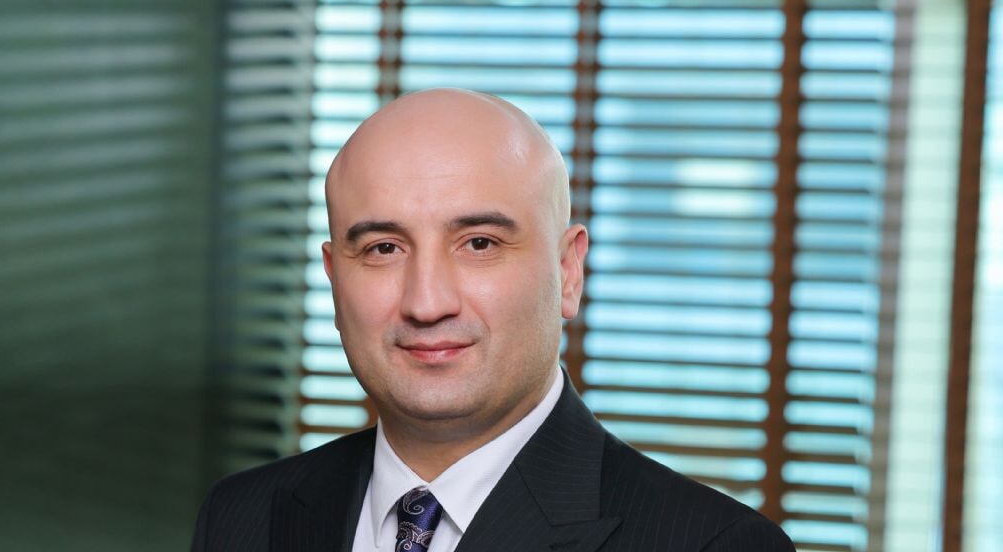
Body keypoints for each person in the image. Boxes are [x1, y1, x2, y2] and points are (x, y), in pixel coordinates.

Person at [192, 89, 795, 552]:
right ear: (333, 279)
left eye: (479, 243)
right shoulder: (241, 517)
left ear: (568, 272)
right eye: (383, 248)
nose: (427, 303)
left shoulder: (713, 545)